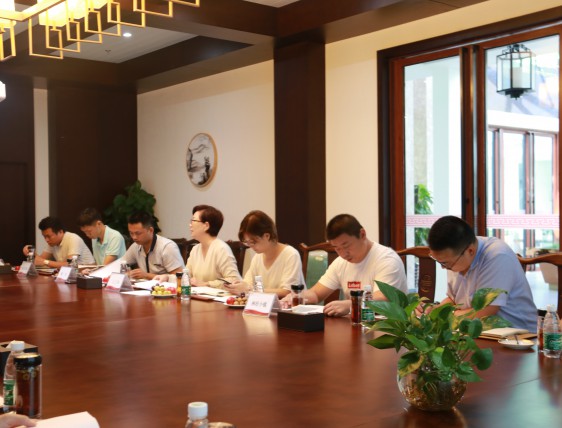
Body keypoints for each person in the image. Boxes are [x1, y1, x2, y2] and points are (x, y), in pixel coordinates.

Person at [426, 215, 537, 331]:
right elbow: (454, 299)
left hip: (518, 335)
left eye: (445, 263)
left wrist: (447, 315)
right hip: (478, 331)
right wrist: (434, 311)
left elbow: (486, 311)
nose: (443, 267)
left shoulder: (497, 256)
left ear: (470, 251)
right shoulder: (457, 255)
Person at [283, 214, 407, 317]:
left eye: (346, 246)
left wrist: (350, 304)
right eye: (337, 248)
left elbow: (383, 298)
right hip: (356, 325)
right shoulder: (340, 263)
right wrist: (297, 296)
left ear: (362, 234)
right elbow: (316, 294)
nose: (343, 254)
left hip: (388, 329)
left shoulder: (387, 259)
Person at [225, 210, 304, 298]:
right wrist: (239, 286)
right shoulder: (257, 258)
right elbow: (248, 284)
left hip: (287, 305)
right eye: (247, 242)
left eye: (253, 242)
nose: (250, 246)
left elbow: (287, 292)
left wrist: (249, 289)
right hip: (264, 305)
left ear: (267, 236)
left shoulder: (291, 255)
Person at [185, 205, 242, 288]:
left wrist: (206, 284)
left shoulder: (221, 249)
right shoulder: (195, 249)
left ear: (206, 226)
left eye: (193, 220)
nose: (190, 225)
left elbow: (234, 280)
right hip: (198, 294)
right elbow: (186, 275)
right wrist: (169, 277)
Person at [122, 211, 184, 280]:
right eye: (131, 233)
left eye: (138, 233)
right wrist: (128, 273)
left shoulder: (167, 247)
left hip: (165, 286)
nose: (134, 237)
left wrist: (146, 275)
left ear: (151, 230)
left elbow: (179, 277)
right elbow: (120, 264)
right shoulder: (135, 246)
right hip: (145, 286)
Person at [22, 216, 95, 268]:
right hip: (70, 276)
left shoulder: (73, 239)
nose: (46, 240)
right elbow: (40, 261)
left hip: (87, 274)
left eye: (49, 236)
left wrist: (45, 262)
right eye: (44, 237)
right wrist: (31, 253)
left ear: (60, 232)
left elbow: (70, 265)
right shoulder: (52, 243)